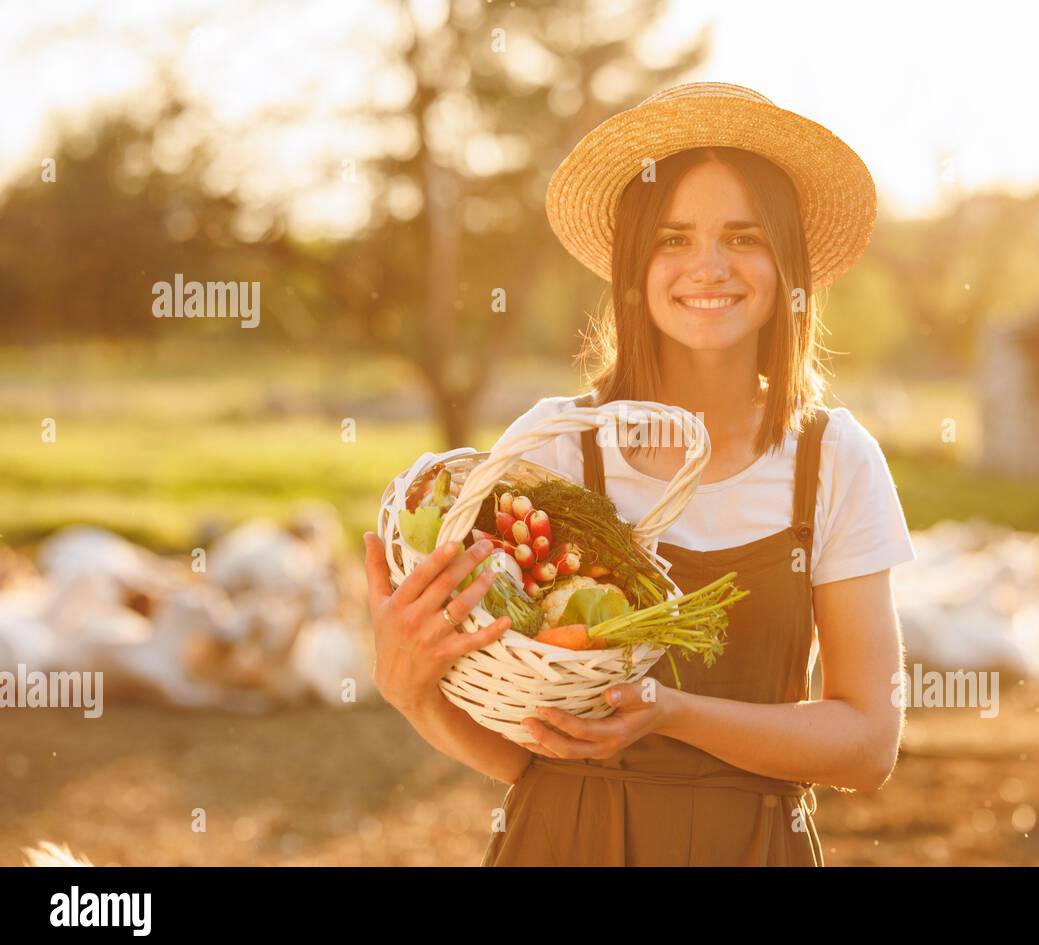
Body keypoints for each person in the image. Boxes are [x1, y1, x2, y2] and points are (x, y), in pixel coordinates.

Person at [362, 81, 916, 866]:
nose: (710, 267)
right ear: (634, 264)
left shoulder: (831, 459)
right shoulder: (555, 452)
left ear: (786, 261)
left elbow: (867, 743)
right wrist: (410, 692)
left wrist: (670, 712)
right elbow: (528, 756)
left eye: (745, 237)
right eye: (674, 239)